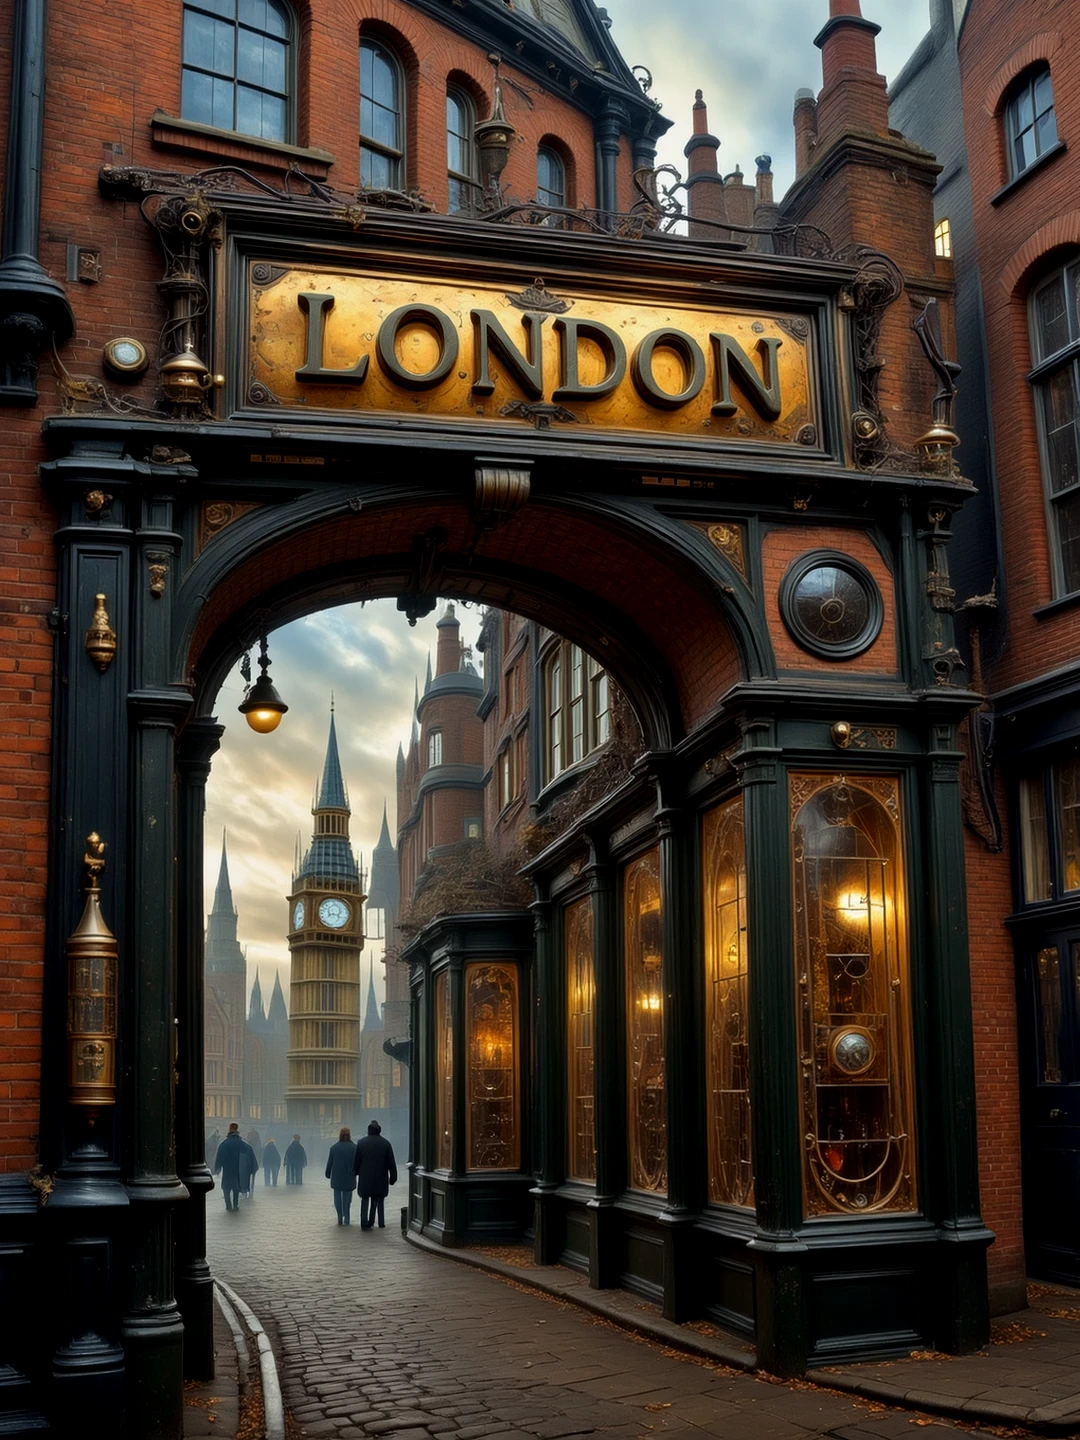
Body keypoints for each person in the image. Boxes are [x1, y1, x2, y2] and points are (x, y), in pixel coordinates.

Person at [353, 1120, 397, 1230]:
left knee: (365, 1199)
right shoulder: (386, 1144)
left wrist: (355, 1173)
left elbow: (356, 1161)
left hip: (365, 1177)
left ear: (368, 1131)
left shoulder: (361, 1143)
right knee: (376, 1199)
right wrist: (393, 1178)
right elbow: (391, 1162)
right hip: (380, 1177)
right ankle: (372, 1221)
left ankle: (364, 1222)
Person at [213, 1123, 256, 1212]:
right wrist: (251, 1167)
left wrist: (217, 1168)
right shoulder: (242, 1143)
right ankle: (236, 1206)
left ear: (229, 1129)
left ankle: (228, 1206)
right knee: (236, 1188)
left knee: (226, 1188)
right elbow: (249, 1153)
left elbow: (220, 1156)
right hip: (238, 1170)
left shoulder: (224, 1144)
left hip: (227, 1169)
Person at [325, 1126, 357, 1225]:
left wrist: (328, 1173)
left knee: (337, 1198)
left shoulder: (334, 1148)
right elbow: (357, 1162)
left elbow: (330, 1163)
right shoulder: (354, 1148)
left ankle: (339, 1217)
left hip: (337, 1177)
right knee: (347, 1199)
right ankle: (347, 1218)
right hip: (349, 1176)